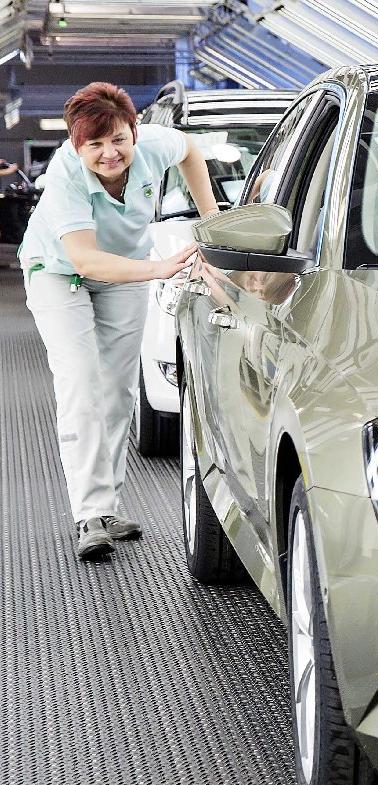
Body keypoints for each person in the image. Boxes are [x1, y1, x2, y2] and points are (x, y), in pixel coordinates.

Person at [19, 82, 218, 561]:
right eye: (95, 144)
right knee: (81, 384)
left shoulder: (154, 143)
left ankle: (106, 508)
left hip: (125, 270)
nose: (110, 153)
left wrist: (212, 223)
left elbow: (190, 150)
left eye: (118, 139)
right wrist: (159, 268)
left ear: (134, 130)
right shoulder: (66, 174)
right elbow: (86, 260)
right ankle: (89, 514)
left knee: (119, 391)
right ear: (75, 144)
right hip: (60, 274)